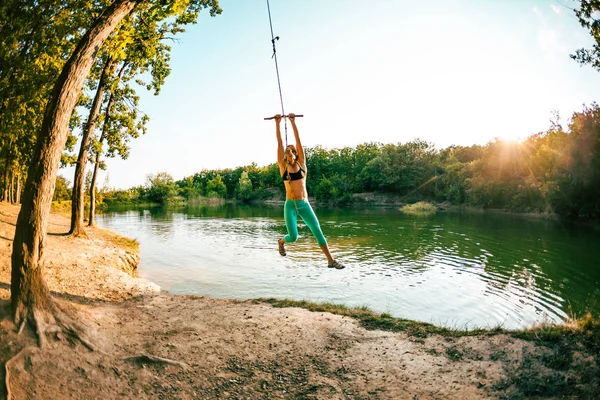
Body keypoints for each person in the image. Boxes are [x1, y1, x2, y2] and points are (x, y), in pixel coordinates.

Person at [274, 113, 345, 269]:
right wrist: (278, 123)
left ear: (296, 154)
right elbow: (279, 143)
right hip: (290, 205)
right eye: (288, 151)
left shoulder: (302, 165)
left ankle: (331, 261)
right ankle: (281, 241)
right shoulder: (282, 167)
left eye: (292, 150)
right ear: (285, 156)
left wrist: (293, 122)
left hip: (304, 204)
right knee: (293, 237)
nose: (290, 152)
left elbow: (298, 141)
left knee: (317, 231)